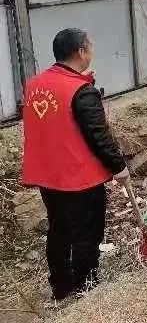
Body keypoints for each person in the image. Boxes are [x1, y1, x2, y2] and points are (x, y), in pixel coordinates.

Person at [21, 29, 128, 301]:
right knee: (86, 233)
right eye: (89, 48)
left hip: (47, 175)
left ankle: (60, 285)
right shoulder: (80, 90)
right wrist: (118, 166)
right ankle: (86, 286)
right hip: (78, 178)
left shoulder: (35, 85)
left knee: (58, 229)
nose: (91, 52)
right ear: (81, 52)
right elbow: (98, 135)